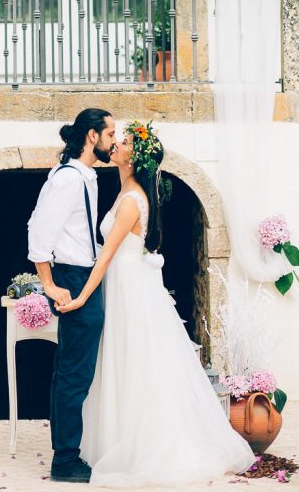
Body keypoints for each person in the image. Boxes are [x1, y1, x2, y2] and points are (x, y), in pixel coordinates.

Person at [57, 121, 256, 487]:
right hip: (124, 282)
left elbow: (106, 256)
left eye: (125, 142)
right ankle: (113, 439)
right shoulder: (125, 192)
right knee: (123, 360)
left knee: (133, 361)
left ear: (135, 159)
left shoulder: (132, 201)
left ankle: (142, 445)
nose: (116, 144)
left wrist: (82, 296)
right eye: (118, 139)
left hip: (128, 287)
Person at [27, 108, 117, 484]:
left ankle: (67, 452)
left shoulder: (83, 176)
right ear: (92, 136)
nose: (114, 141)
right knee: (74, 374)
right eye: (110, 134)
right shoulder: (67, 179)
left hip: (84, 275)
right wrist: (49, 284)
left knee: (74, 371)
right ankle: (65, 460)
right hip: (74, 277)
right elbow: (38, 232)